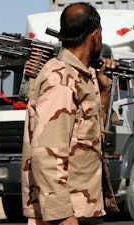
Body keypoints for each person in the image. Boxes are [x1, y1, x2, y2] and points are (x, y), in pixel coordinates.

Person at [21, 2, 119, 225]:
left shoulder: (81, 77)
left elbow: (87, 136)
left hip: (85, 207)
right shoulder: (61, 81)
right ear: (95, 35)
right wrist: (63, 216)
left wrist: (104, 92)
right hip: (68, 213)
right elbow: (46, 153)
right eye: (101, 33)